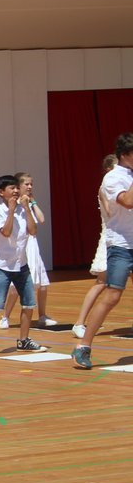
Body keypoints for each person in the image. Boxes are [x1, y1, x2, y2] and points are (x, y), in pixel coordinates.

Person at [74, 133, 133, 369]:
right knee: (112, 295)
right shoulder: (113, 177)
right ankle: (83, 346)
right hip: (121, 244)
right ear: (125, 154)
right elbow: (128, 201)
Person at [0, 175, 47, 356]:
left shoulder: (24, 210)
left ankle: (23, 340)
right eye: (11, 188)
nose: (16, 191)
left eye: (17, 187)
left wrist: (26, 208)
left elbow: (33, 230)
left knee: (29, 303)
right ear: (1, 192)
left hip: (21, 264)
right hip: (2, 265)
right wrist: (11, 210)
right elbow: (6, 232)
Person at [0, 172, 57, 327]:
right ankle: (5, 316)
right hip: (20, 246)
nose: (30, 187)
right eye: (27, 184)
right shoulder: (15, 204)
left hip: (33, 246)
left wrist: (33, 202)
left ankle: (42, 315)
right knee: (15, 288)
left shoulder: (28, 203)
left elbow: (41, 219)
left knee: (42, 284)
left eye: (31, 184)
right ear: (18, 186)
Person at [73, 155, 118, 338]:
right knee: (101, 283)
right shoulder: (104, 189)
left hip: (125, 238)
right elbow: (111, 213)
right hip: (112, 238)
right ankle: (79, 323)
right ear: (108, 170)